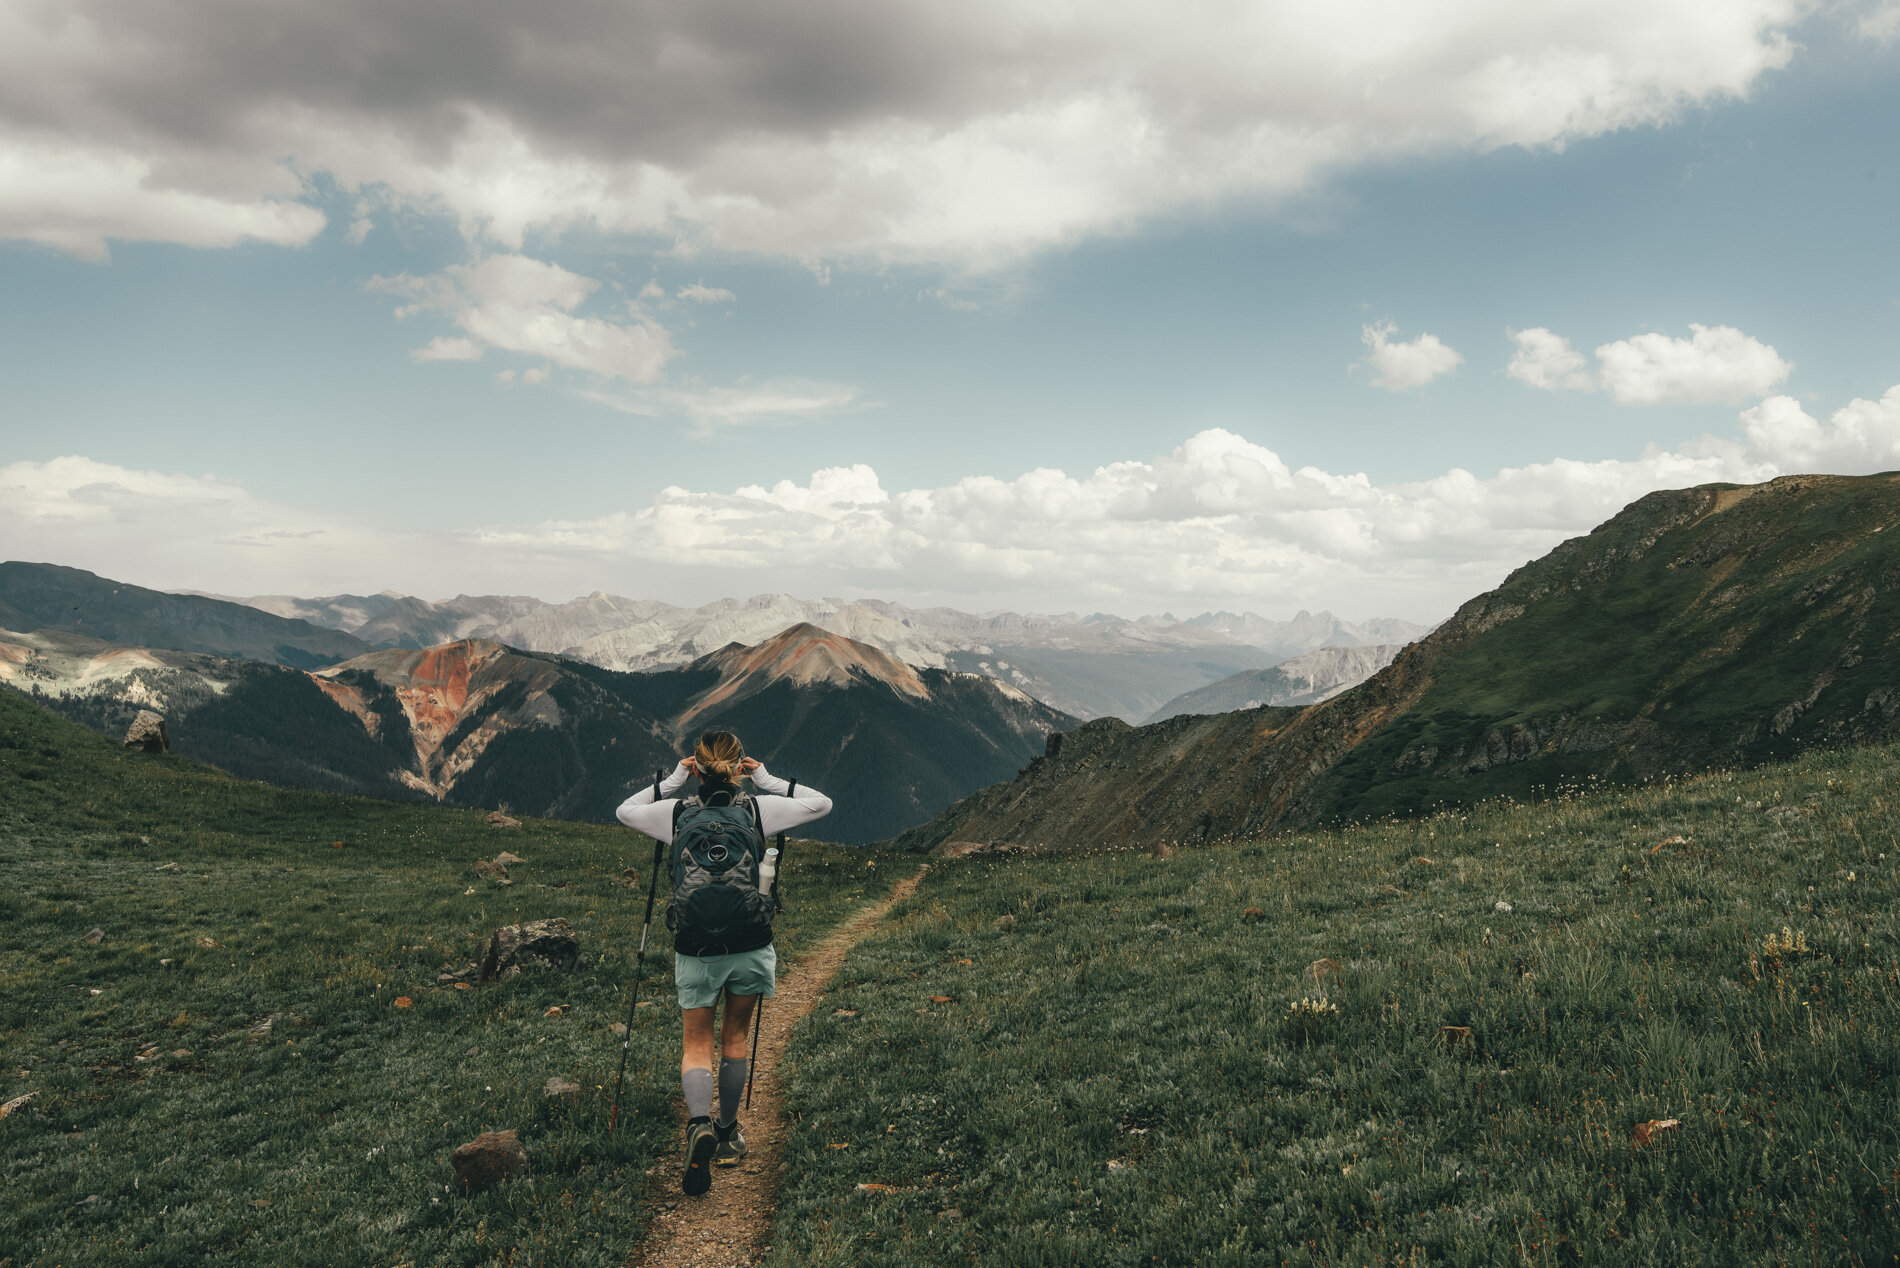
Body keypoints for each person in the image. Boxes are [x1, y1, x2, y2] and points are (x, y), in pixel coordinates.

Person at [615, 730, 833, 1196]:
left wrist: (673, 780)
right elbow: (822, 804)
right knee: (735, 1038)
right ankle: (729, 1133)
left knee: (697, 1043)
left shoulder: (675, 814)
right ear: (738, 767)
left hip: (696, 948)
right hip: (751, 943)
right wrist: (770, 780)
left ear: (697, 764)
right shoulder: (758, 809)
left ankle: (698, 1126)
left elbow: (624, 811)